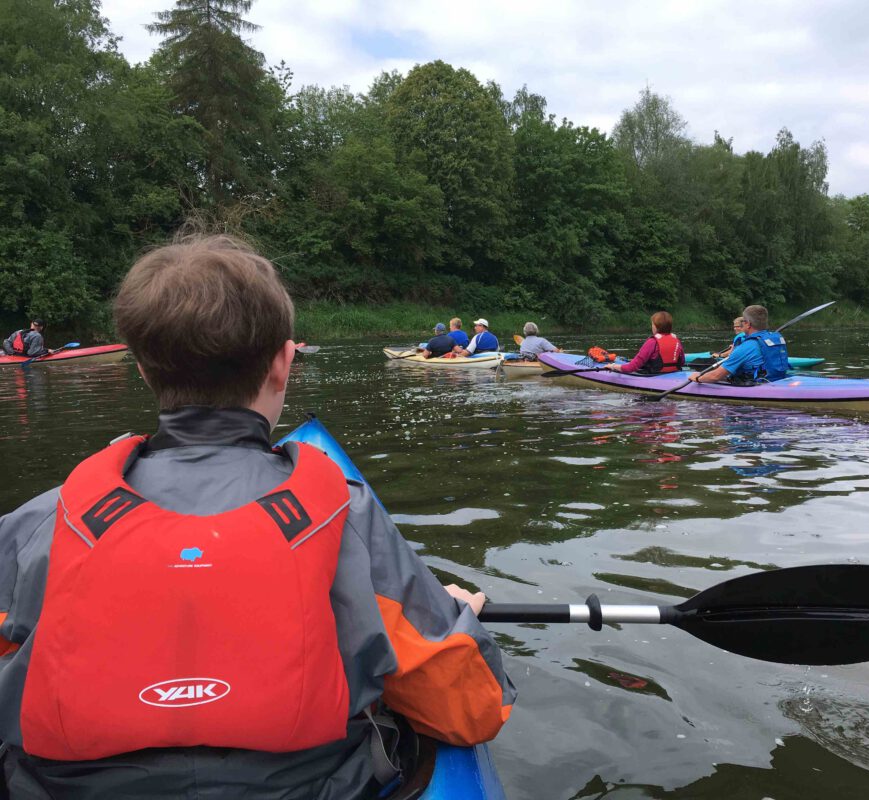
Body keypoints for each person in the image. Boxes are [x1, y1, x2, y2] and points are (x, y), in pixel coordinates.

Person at [0, 235, 515, 798]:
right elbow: (469, 708)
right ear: (282, 363)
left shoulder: (42, 520)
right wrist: (458, 619)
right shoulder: (344, 515)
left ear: (144, 370)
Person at [688, 304, 789, 385]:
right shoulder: (775, 338)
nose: (741, 324)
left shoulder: (746, 347)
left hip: (756, 385)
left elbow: (715, 376)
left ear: (748, 324)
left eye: (743, 321)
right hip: (778, 380)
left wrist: (698, 378)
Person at [605, 311, 685, 375]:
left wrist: (613, 366)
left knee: (621, 362)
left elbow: (631, 367)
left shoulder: (652, 342)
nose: (652, 326)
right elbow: (682, 362)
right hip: (674, 373)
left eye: (652, 324)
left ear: (656, 326)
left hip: (654, 375)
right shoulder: (676, 340)